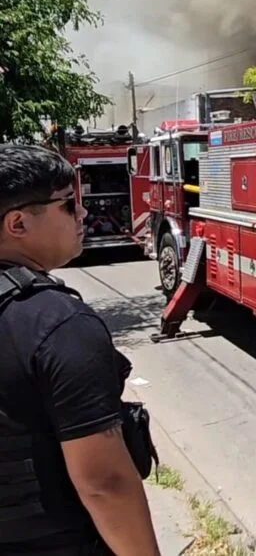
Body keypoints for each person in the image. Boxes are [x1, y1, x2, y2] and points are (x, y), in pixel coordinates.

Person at [0, 144, 160, 555]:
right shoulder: (60, 326)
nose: (84, 213)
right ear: (17, 223)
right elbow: (104, 484)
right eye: (69, 205)